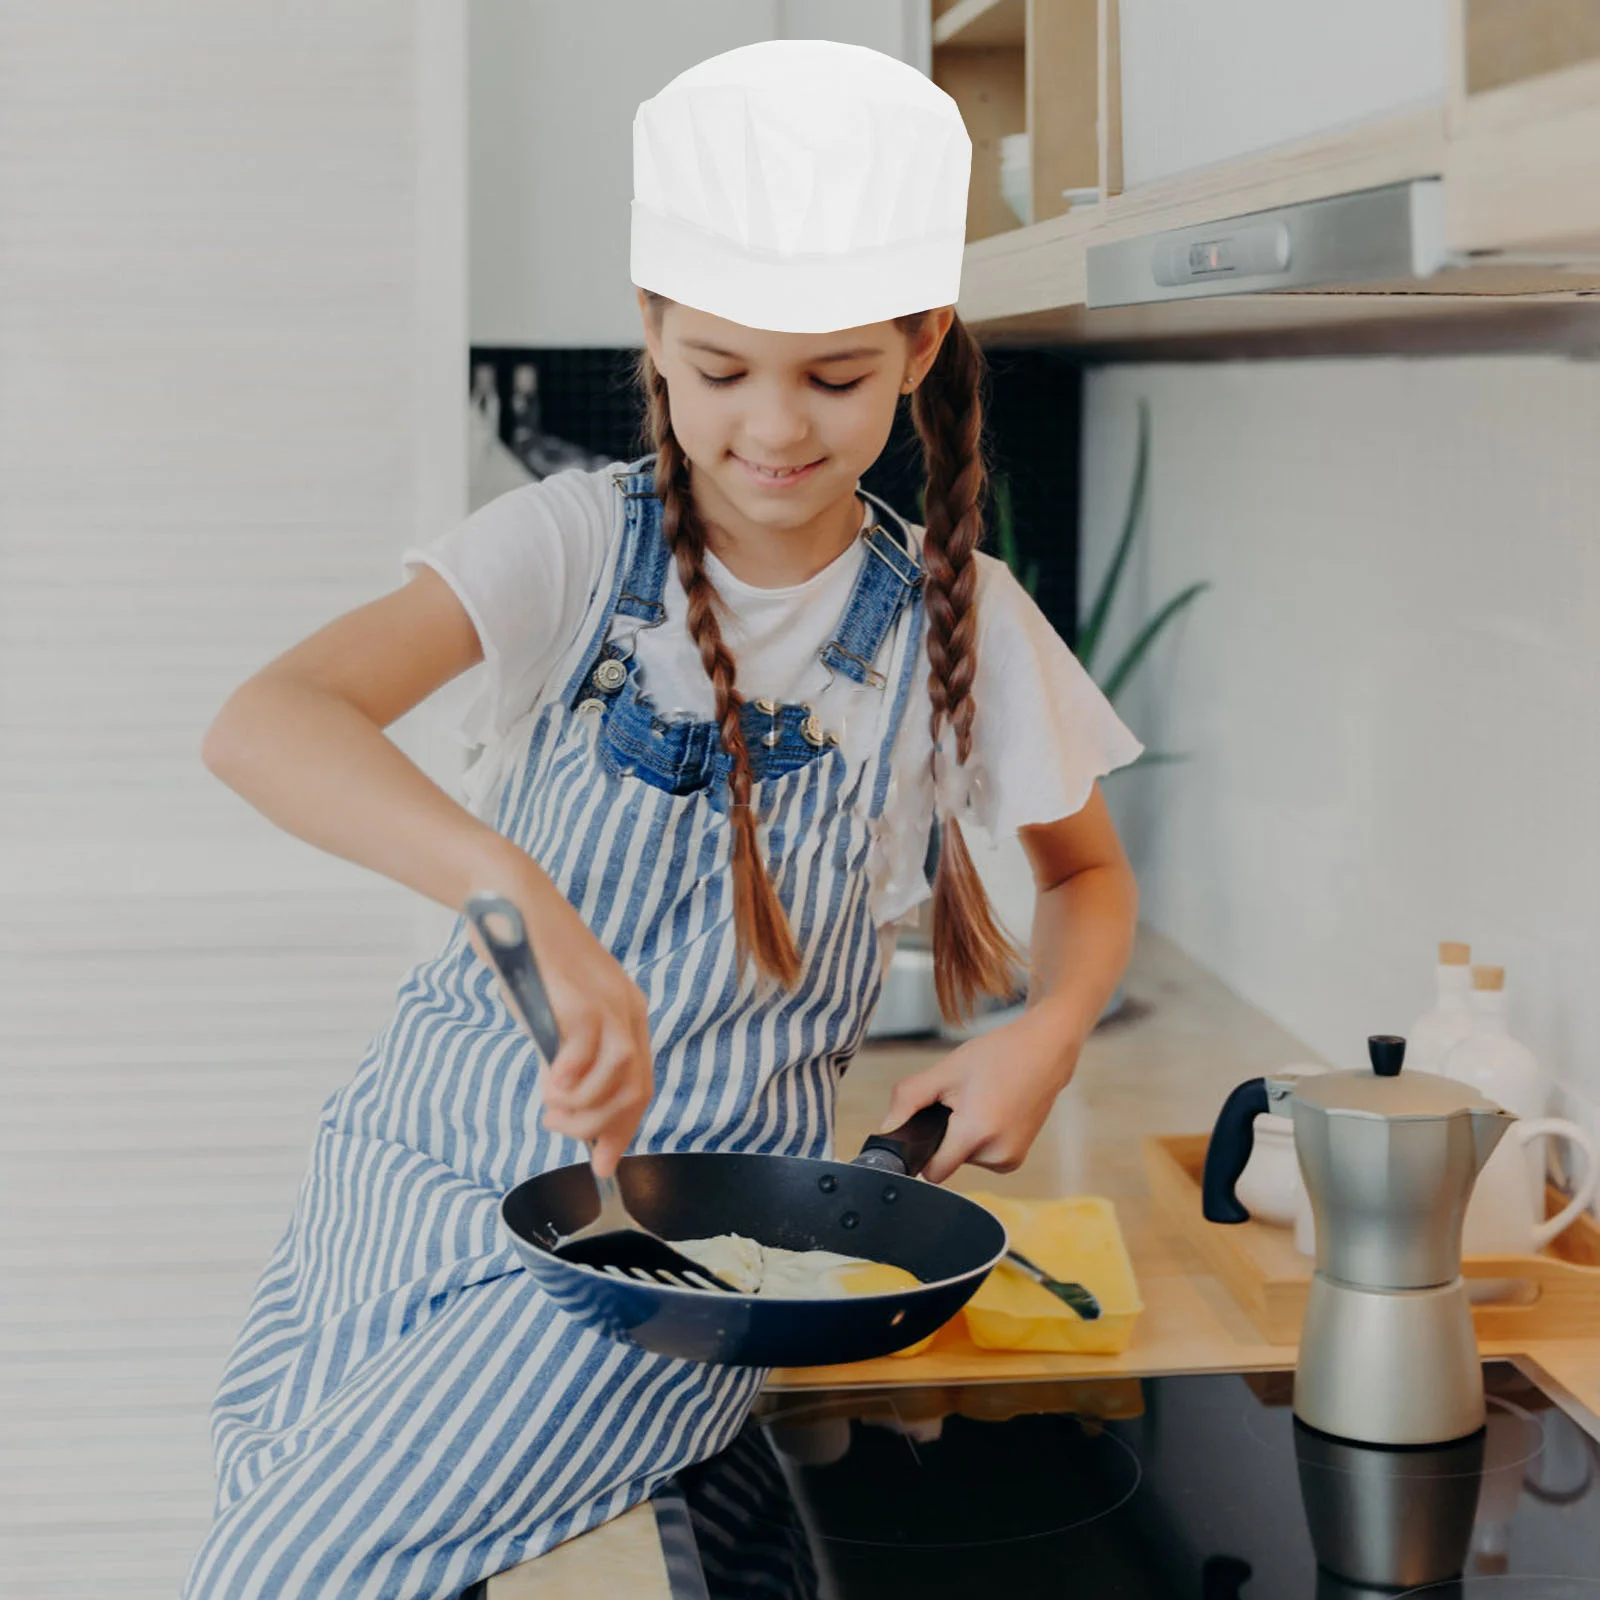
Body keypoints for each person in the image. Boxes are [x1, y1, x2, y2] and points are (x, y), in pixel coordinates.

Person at [178, 38, 1141, 1600]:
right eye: (718, 370)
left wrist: (1050, 1026)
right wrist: (521, 901)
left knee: (286, 1572)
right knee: (261, 1518)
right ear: (653, 335)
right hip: (409, 1176)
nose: (773, 428)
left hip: (661, 1263)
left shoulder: (959, 622)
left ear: (920, 345)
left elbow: (1086, 877)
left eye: (834, 376)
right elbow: (266, 723)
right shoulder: (567, 546)